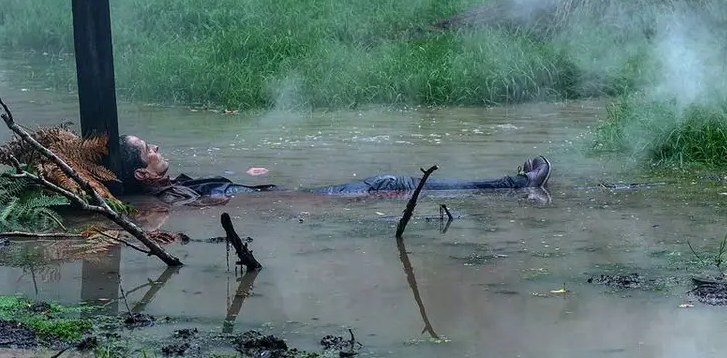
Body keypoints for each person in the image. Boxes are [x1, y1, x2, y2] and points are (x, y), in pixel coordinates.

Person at [116, 134, 552, 202]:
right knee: (398, 182)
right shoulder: (172, 200)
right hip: (315, 201)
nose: (156, 147)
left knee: (397, 182)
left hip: (305, 197)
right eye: (146, 149)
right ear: (141, 173)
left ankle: (513, 183)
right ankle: (517, 184)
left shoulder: (172, 191)